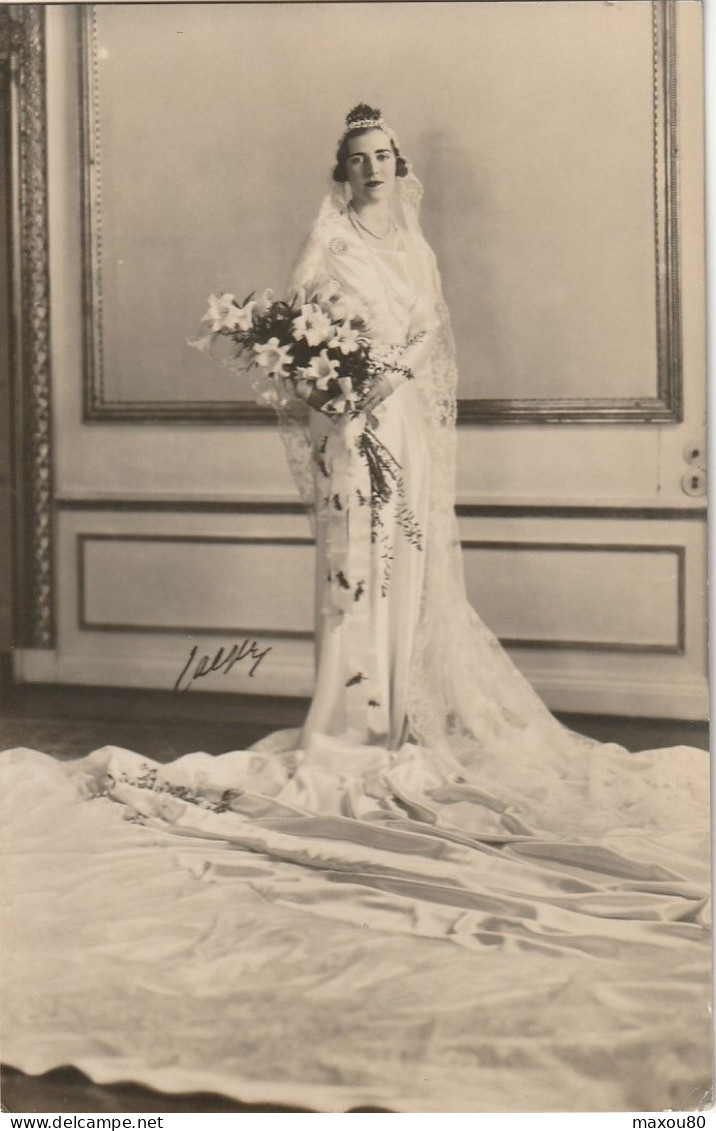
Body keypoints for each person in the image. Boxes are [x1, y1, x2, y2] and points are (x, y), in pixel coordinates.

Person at [0, 105, 710, 1114]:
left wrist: (395, 377)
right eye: (361, 160)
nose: (376, 171)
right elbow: (298, 334)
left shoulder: (411, 241)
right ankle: (352, 720)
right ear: (341, 169)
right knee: (354, 573)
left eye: (386, 158)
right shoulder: (327, 241)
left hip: (405, 428)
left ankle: (404, 712)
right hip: (351, 432)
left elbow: (430, 338)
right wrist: (335, 381)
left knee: (409, 573)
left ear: (397, 166)